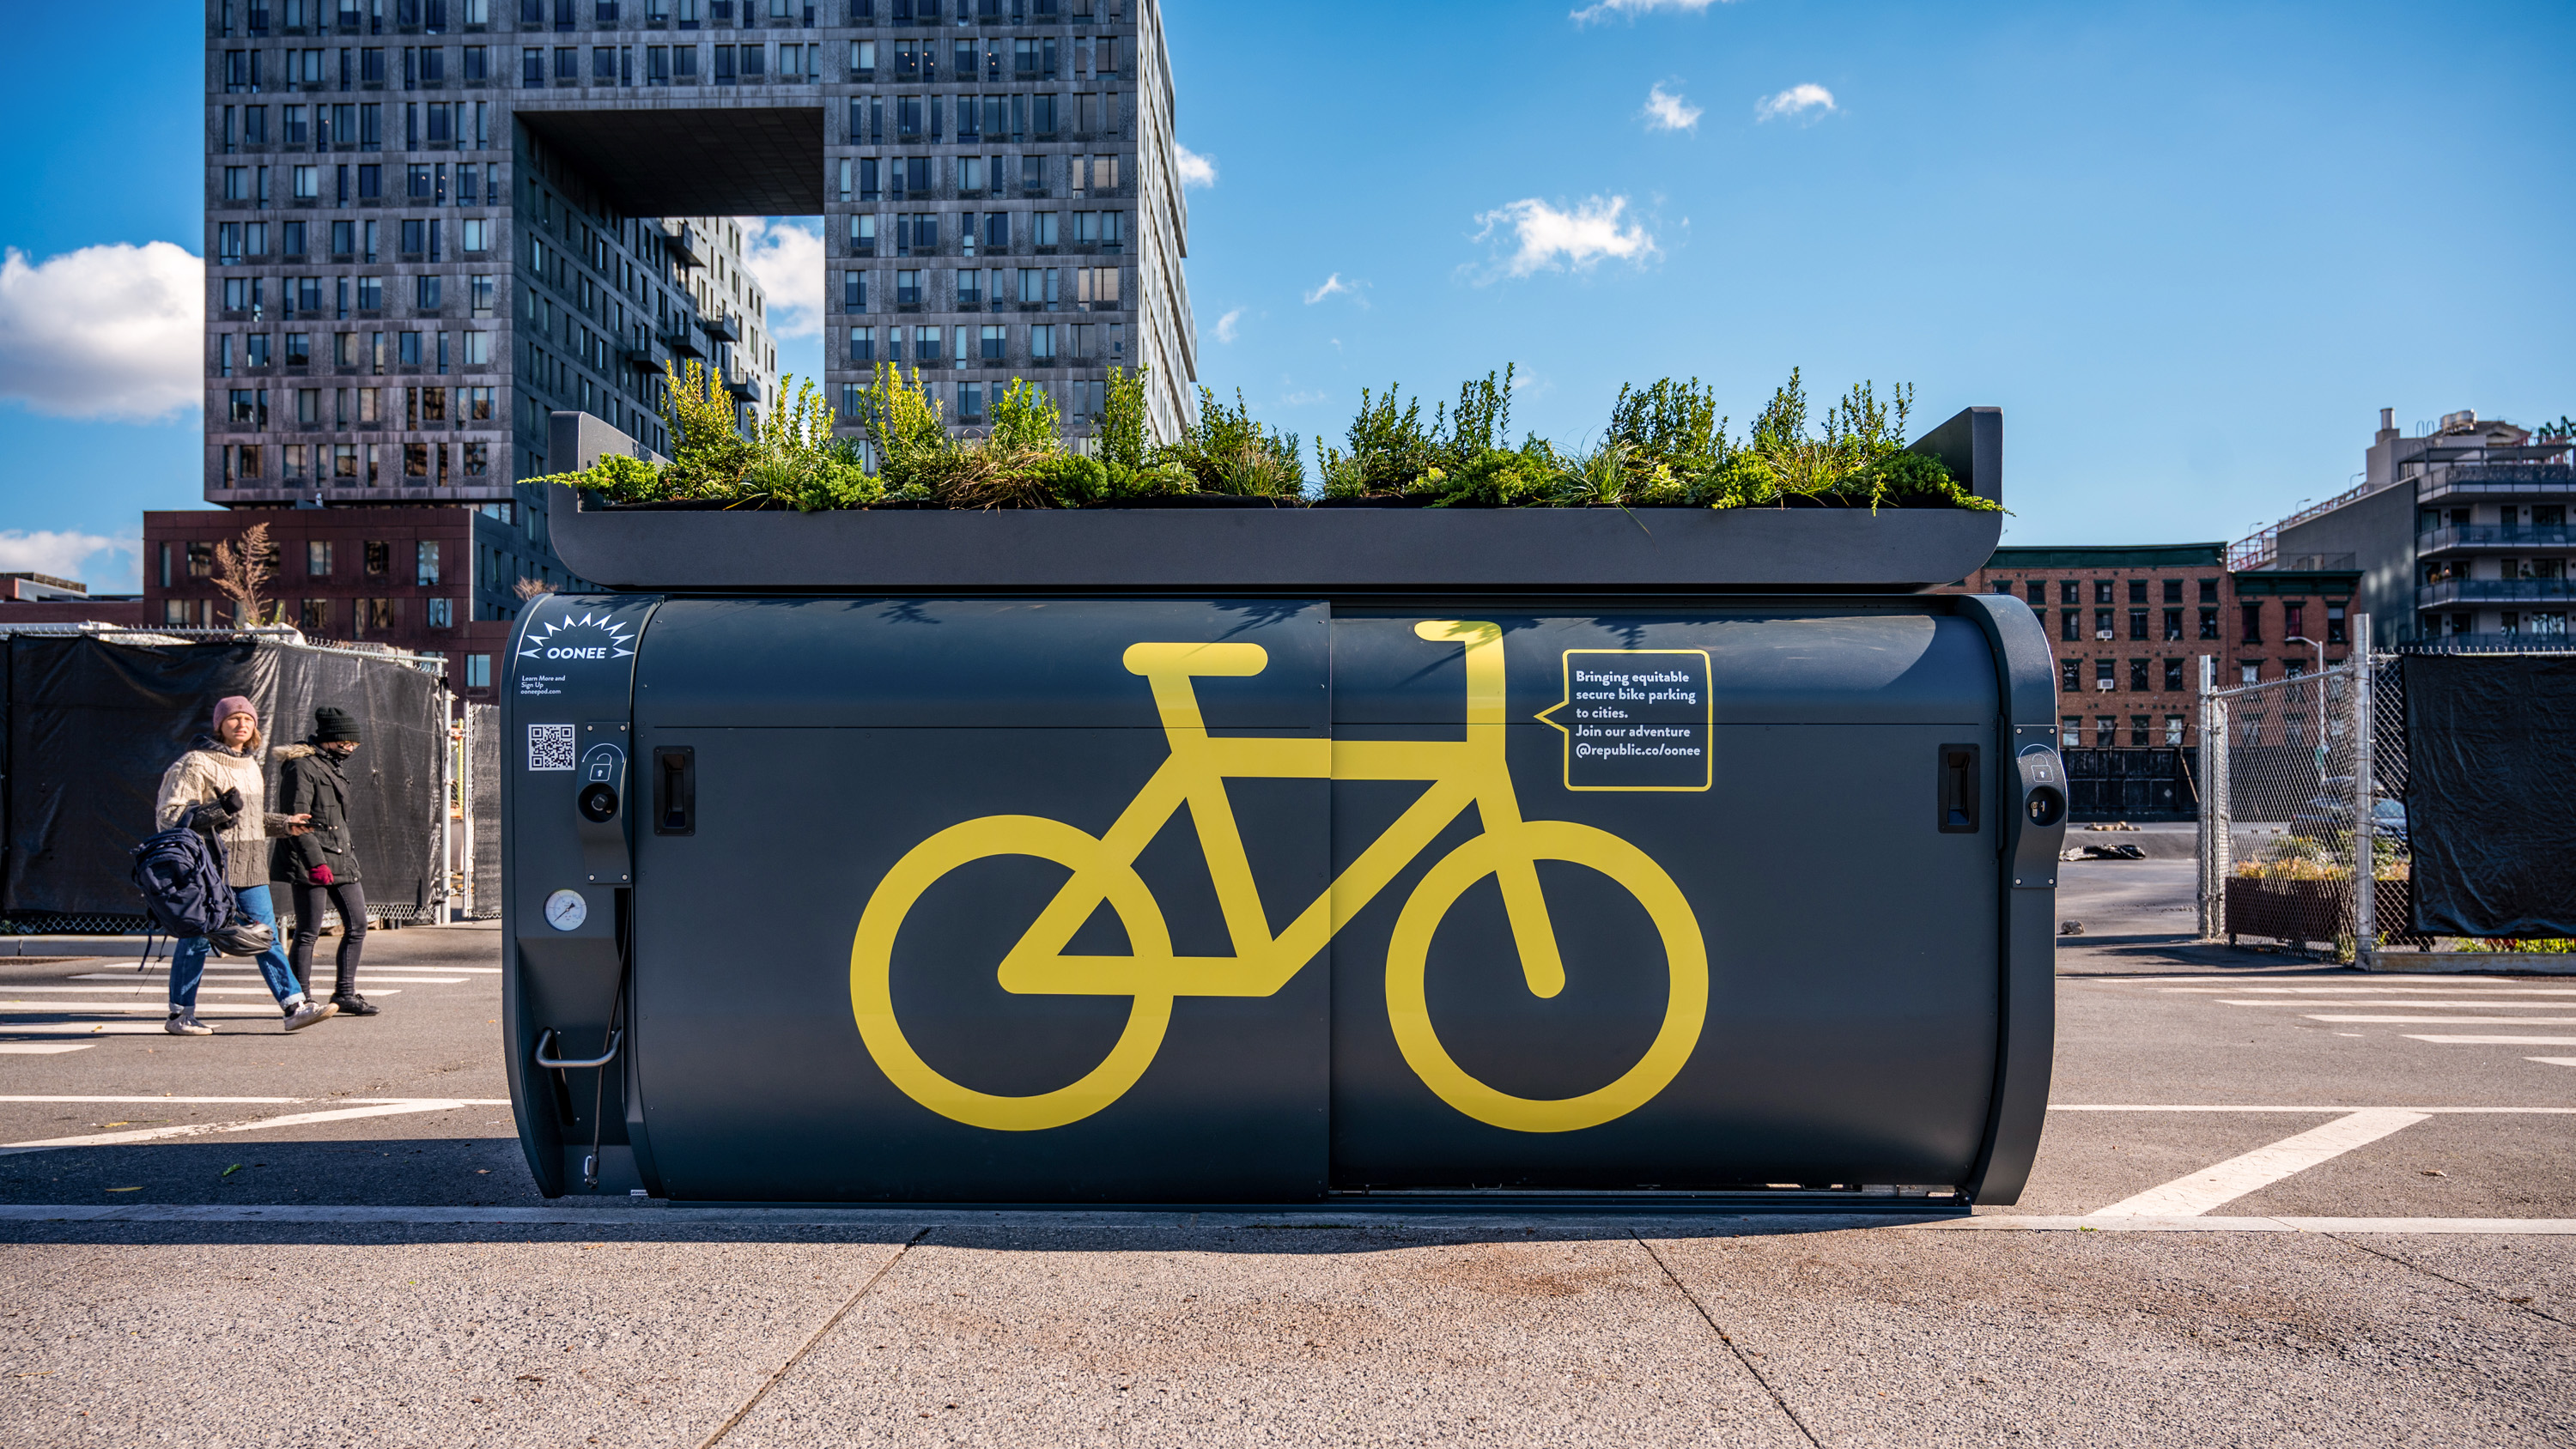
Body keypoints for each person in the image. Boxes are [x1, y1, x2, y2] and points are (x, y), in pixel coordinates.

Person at [154, 696, 337, 1035]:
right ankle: (180, 1016)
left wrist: (285, 824)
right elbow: (168, 817)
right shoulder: (195, 763)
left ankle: (294, 1007)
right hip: (208, 872)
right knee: (195, 939)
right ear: (219, 725)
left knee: (266, 937)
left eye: (248, 719)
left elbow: (248, 820)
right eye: (233, 719)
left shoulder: (251, 765)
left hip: (251, 869)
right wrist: (219, 809)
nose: (241, 724)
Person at [273, 706, 379, 1016]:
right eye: (348, 742)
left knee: (358, 925)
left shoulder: (329, 764)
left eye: (355, 744)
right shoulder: (302, 767)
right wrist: (315, 862)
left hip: (341, 856)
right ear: (331, 739)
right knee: (308, 931)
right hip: (311, 859)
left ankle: (345, 992)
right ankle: (301, 999)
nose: (351, 748)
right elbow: (298, 819)